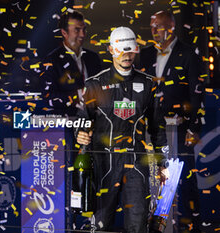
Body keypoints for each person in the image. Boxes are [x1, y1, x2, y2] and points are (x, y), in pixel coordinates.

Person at [76, 27, 169, 233]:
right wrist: (80, 133)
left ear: (136, 50)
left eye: (130, 51)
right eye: (121, 51)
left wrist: (163, 163)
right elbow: (81, 121)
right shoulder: (95, 84)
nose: (126, 55)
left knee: (137, 226)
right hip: (103, 164)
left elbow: (157, 128)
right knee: (100, 226)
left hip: (136, 165)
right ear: (111, 50)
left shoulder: (148, 84)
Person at [139, 11, 205, 232]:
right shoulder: (146, 54)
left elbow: (197, 95)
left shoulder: (188, 55)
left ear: (171, 27)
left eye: (158, 26)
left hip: (180, 129)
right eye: (152, 26)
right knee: (155, 180)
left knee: (185, 181)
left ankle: (191, 227)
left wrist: (194, 127)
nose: (154, 30)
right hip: (151, 129)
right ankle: (155, 226)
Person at [42, 10, 104, 116]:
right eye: (77, 30)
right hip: (68, 122)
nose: (82, 34)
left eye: (84, 29)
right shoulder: (51, 61)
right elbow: (48, 97)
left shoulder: (93, 57)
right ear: (64, 32)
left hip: (96, 121)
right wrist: (78, 95)